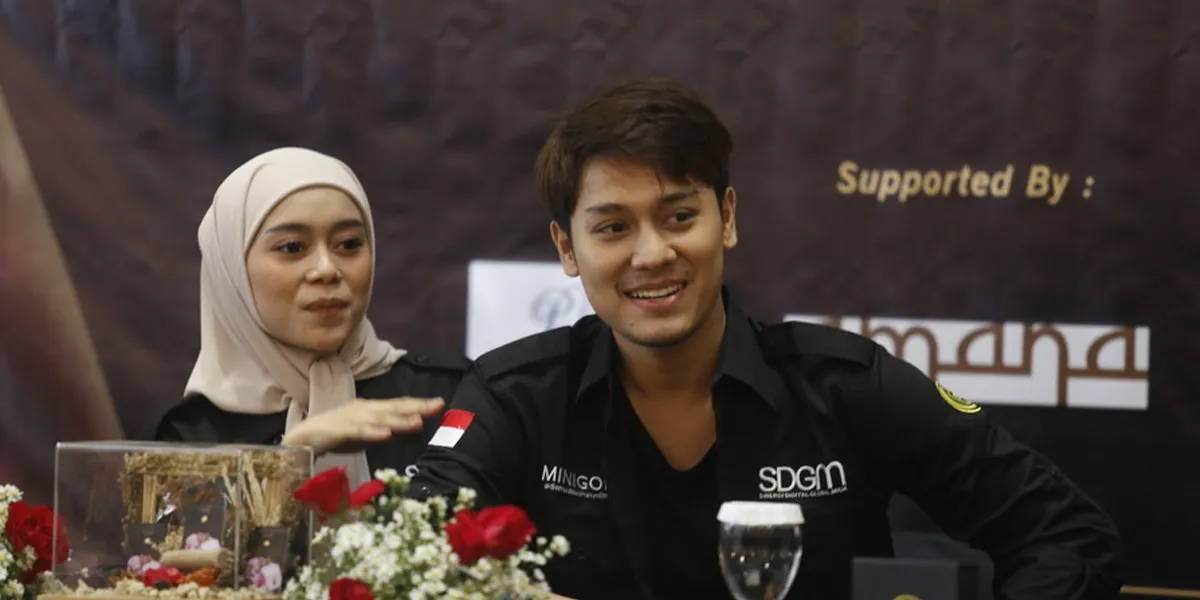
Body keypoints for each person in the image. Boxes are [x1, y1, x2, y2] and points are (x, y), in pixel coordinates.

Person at [409, 78, 1123, 599]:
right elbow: (410, 556)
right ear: (568, 248)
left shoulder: (844, 386)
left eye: (679, 216)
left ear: (726, 218)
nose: (652, 253)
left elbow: (1069, 538)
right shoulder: (516, 396)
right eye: (613, 227)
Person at [139, 147, 464, 485]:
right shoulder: (184, 440)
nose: (326, 269)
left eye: (349, 244)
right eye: (292, 247)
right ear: (232, 270)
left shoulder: (448, 397)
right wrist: (294, 454)